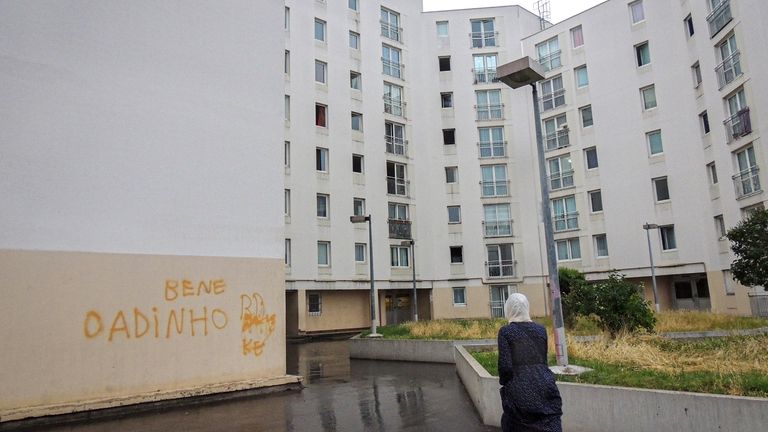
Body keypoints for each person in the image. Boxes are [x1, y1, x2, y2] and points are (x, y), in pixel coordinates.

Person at [497, 293, 562, 432]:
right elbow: (542, 361)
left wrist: (506, 385)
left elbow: (505, 367)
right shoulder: (541, 330)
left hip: (519, 391)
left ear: (509, 309)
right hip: (545, 386)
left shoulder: (506, 332)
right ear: (526, 307)